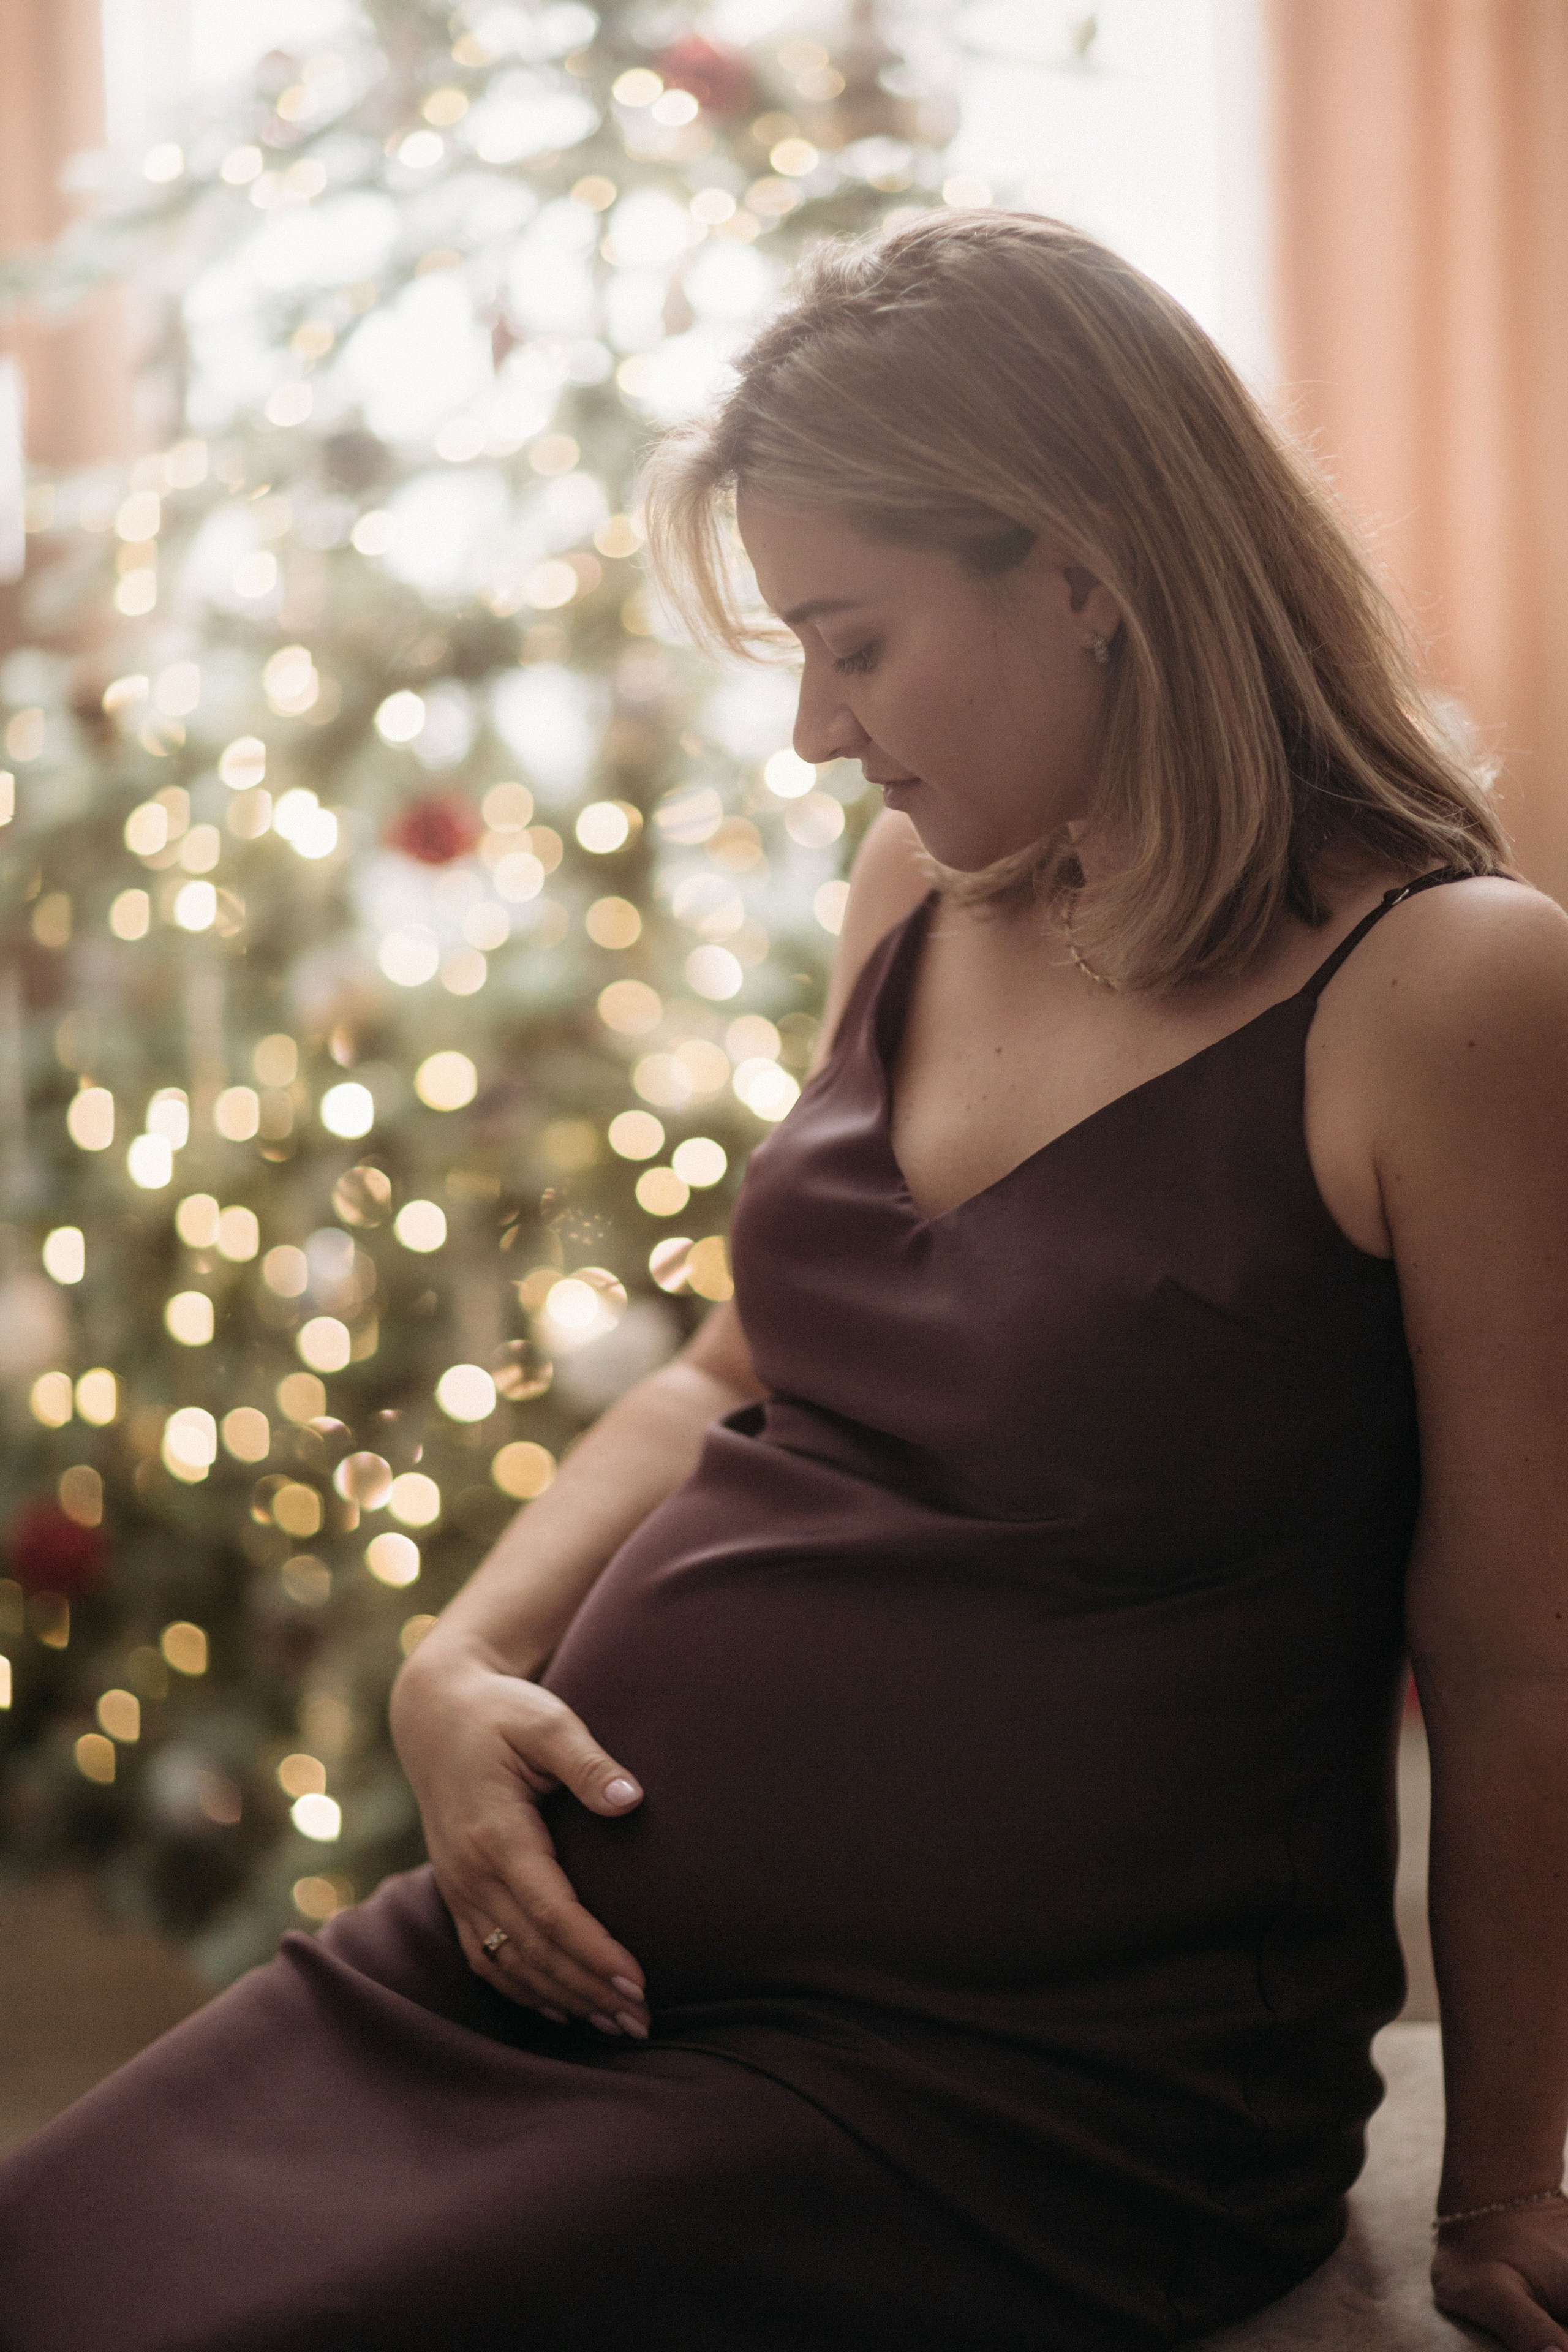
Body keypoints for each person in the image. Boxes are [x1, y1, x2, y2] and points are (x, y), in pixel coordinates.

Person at [3, 208, 1567, 2352]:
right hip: (544, 1971)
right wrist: (458, 1661)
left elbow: (1517, 1654)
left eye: (856, 640)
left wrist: (1502, 2188)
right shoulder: (932, 875)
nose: (820, 734)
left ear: (1086, 572)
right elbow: (734, 1369)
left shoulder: (1452, 990)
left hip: (1015, 2088)